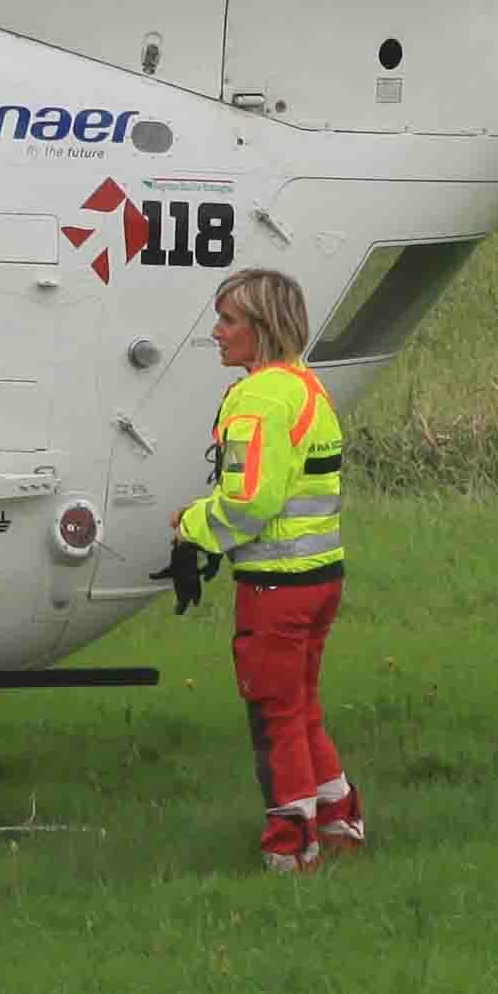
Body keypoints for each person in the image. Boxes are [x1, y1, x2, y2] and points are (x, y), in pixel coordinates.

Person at [162, 268, 359, 870]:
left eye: (228, 321)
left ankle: (291, 849)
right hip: (321, 577)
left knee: (275, 718)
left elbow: (250, 503)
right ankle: (340, 823)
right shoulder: (306, 386)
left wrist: (190, 526)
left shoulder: (258, 398)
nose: (216, 333)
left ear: (262, 327)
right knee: (302, 709)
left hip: (277, 585)